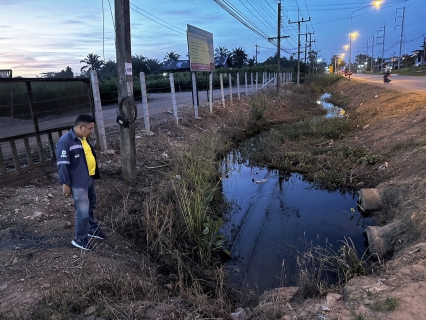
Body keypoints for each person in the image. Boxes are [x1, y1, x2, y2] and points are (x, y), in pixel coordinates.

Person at [56, 114, 106, 250]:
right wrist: (65, 184)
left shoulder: (83, 138)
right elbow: (63, 164)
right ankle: (80, 239)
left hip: (89, 179)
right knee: (82, 211)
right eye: (90, 128)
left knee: (91, 206)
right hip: (78, 183)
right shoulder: (65, 141)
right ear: (81, 127)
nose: (91, 131)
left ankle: (91, 229)